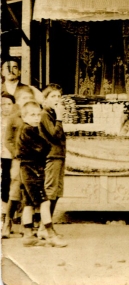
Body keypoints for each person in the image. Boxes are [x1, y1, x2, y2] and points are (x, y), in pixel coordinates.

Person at [16, 101, 66, 247]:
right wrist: (46, 147)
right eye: (32, 115)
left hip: (25, 170)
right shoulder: (29, 130)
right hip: (33, 171)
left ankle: (28, 235)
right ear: (24, 116)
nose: (36, 117)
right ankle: (50, 235)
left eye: (38, 114)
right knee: (44, 202)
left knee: (29, 203)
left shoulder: (26, 129)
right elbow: (45, 146)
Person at [2, 85, 37, 238]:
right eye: (23, 98)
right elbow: (8, 140)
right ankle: (8, 222)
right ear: (17, 101)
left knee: (28, 191)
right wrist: (16, 152)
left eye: (29, 98)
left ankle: (26, 223)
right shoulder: (13, 118)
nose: (26, 101)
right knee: (15, 191)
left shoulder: (35, 117)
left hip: (32, 160)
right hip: (18, 160)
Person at [37, 84, 65, 240]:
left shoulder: (52, 114)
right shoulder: (45, 115)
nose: (57, 100)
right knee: (50, 192)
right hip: (51, 157)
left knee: (56, 193)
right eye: (53, 96)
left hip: (58, 156)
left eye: (59, 96)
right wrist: (60, 117)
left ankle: (45, 227)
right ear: (45, 100)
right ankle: (44, 228)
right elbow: (54, 135)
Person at [1, 92, 15, 234]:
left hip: (10, 157)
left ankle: (9, 219)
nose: (5, 107)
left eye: (9, 104)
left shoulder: (16, 120)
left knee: (9, 186)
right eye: (2, 104)